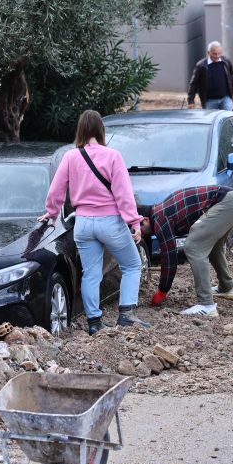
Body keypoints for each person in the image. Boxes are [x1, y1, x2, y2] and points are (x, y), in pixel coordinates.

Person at [40, 110, 148, 335]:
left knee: (91, 274)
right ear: (101, 130)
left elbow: (56, 189)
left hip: (83, 223)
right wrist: (134, 222)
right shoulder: (113, 156)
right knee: (131, 265)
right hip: (110, 222)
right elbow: (123, 193)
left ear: (80, 130)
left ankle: (94, 322)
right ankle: (126, 314)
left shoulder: (70, 157)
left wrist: (51, 213)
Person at [140, 186, 233, 317]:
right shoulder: (161, 211)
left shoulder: (160, 219)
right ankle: (227, 287)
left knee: (193, 246)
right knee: (213, 246)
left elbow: (169, 257)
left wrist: (162, 290)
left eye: (138, 229)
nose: (141, 234)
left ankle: (206, 305)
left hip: (228, 203)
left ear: (145, 219)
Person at [187, 41, 233, 110]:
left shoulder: (226, 62)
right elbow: (193, 84)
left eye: (219, 53)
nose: (217, 56)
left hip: (225, 99)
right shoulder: (201, 66)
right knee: (209, 117)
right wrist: (191, 101)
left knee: (230, 115)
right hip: (209, 101)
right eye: (214, 54)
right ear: (208, 53)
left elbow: (231, 77)